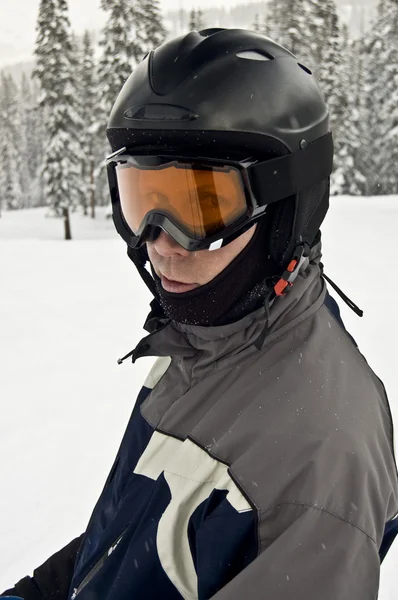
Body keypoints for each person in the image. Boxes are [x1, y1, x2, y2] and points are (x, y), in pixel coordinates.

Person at [2, 28, 398, 600]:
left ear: (286, 207)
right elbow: (129, 539)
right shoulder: (201, 341)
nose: (161, 243)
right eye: (143, 199)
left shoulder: (321, 459)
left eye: (202, 205)